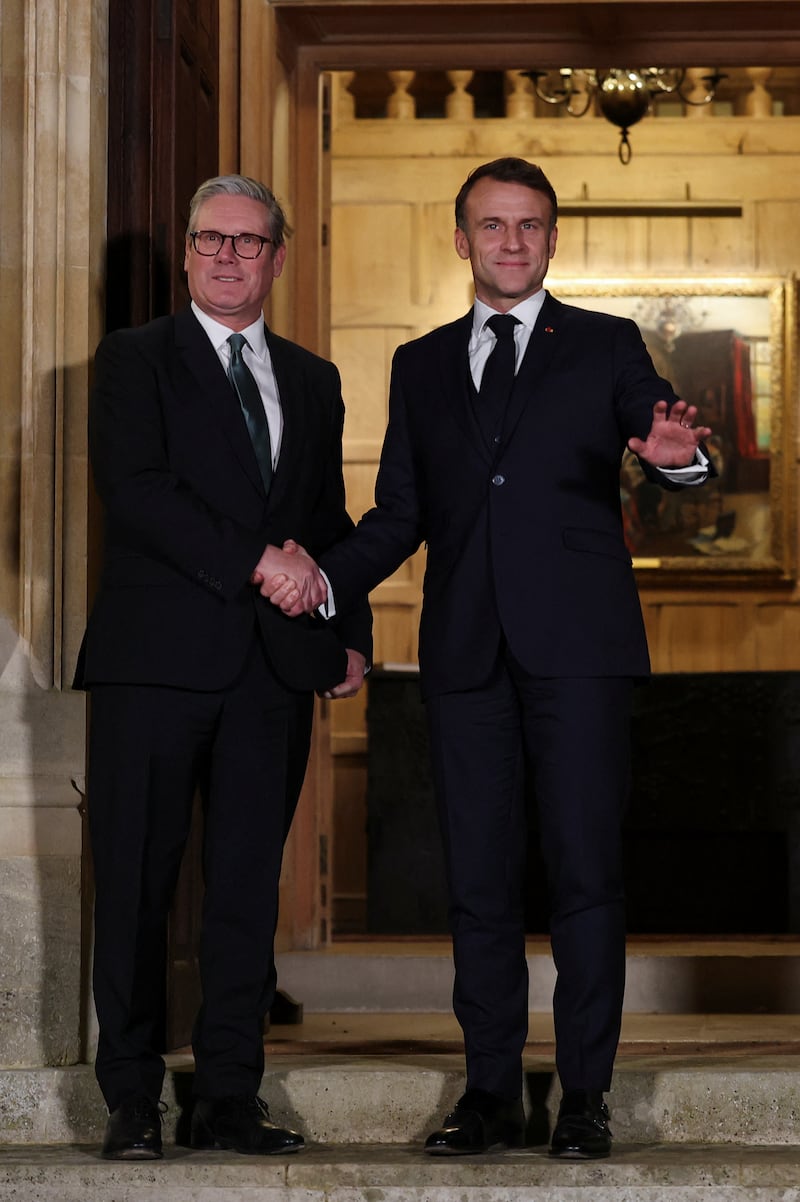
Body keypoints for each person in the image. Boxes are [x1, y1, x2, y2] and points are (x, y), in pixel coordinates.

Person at [267, 157, 712, 1159]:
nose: (510, 242)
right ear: (459, 239)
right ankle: (490, 1091)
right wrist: (323, 579)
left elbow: (670, 441)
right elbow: (399, 514)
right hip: (465, 655)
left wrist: (676, 452)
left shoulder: (605, 346)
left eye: (528, 226)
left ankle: (584, 1095)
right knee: (476, 880)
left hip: (579, 654)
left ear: (551, 240)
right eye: (491, 225)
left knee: (584, 873)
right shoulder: (419, 364)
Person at [74, 174, 371, 1160]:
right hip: (153, 663)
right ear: (188, 249)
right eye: (211, 239)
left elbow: (326, 521)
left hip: (270, 668)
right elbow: (139, 490)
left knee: (244, 889)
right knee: (137, 882)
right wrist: (258, 559)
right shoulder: (133, 361)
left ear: (277, 257)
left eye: (248, 242)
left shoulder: (314, 377)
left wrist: (344, 623)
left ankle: (229, 1099)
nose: (228, 256)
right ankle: (131, 1098)